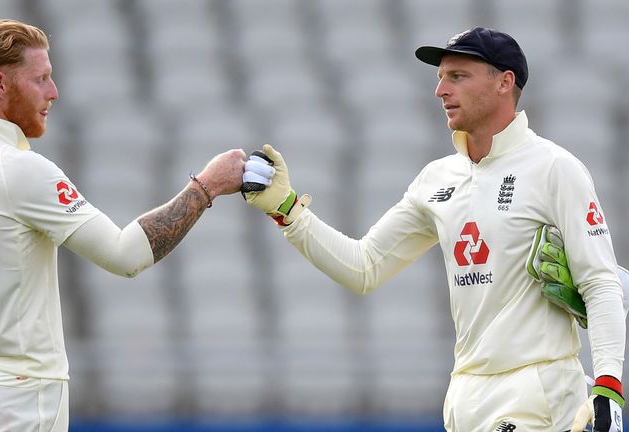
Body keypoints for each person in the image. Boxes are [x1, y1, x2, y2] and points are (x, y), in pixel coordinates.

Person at [242, 27, 625, 431]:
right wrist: (289, 211)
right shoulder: (437, 179)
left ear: (504, 82)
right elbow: (364, 267)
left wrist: (608, 388)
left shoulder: (554, 168)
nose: (440, 90)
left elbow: (601, 283)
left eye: (457, 76)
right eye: (441, 77)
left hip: (537, 391)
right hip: (464, 396)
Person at [0, 19, 245, 432]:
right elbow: (125, 256)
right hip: (17, 399)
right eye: (40, 79)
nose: (53, 92)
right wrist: (206, 187)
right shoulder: (19, 169)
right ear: (0, 84)